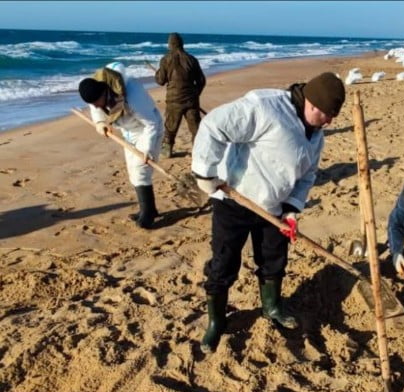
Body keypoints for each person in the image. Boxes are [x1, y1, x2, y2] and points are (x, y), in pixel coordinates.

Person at [191, 72, 345, 354]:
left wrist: (291, 210)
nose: (330, 123)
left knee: (274, 260)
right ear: (311, 103)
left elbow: (307, 175)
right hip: (234, 200)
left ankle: (272, 307)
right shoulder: (265, 108)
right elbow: (214, 126)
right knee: (223, 264)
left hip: (274, 210)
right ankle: (216, 321)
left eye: (333, 117)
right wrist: (205, 172)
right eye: (326, 115)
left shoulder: (316, 133)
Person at [78, 63, 163, 229]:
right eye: (93, 104)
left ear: (105, 91)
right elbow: (95, 109)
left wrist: (147, 149)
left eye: (97, 102)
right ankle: (149, 209)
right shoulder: (96, 89)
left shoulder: (133, 95)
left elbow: (150, 123)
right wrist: (100, 123)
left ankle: (148, 215)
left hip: (147, 129)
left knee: (141, 170)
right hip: (128, 132)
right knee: (133, 170)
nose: (96, 106)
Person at [155, 32, 206, 158]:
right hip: (191, 100)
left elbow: (160, 81)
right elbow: (201, 81)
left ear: (170, 45)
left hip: (174, 100)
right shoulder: (192, 59)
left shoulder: (165, 59)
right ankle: (198, 150)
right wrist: (195, 94)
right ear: (181, 44)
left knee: (170, 126)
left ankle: (167, 150)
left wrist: (157, 73)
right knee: (195, 128)